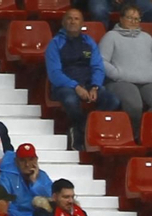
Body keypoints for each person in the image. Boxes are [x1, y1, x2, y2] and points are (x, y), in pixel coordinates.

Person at [46, 8, 123, 152]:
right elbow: (54, 73)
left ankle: (83, 128)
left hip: (88, 85)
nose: (73, 21)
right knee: (70, 101)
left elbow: (98, 67)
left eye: (76, 19)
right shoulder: (55, 43)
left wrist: (95, 86)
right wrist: (75, 86)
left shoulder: (89, 42)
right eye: (69, 18)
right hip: (64, 86)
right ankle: (80, 130)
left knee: (113, 101)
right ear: (63, 22)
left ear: (82, 23)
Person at [100, 5, 152, 125]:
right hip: (120, 82)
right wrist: (118, 74)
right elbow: (102, 61)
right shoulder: (111, 37)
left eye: (136, 19)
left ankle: (146, 129)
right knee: (134, 105)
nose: (133, 22)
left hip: (148, 81)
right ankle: (133, 132)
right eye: (129, 18)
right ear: (121, 19)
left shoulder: (147, 38)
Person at [0, 144, 54, 216]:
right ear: (16, 161)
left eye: (31, 159)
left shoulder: (42, 175)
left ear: (36, 160)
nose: (27, 164)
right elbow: (7, 206)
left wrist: (35, 182)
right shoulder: (5, 177)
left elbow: (52, 198)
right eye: (22, 160)